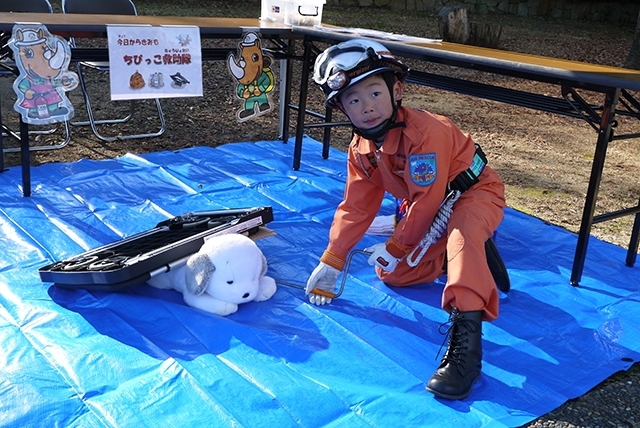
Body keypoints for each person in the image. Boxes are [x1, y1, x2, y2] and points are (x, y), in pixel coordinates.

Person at [304, 38, 509, 400]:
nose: (366, 107)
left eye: (374, 93)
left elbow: (428, 201)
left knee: (462, 233)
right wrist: (332, 260)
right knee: (394, 274)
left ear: (396, 90)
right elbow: (356, 207)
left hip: (473, 193)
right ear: (342, 109)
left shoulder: (424, 133)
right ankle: (462, 252)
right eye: (352, 100)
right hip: (423, 208)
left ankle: (466, 353)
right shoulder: (361, 151)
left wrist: (398, 243)